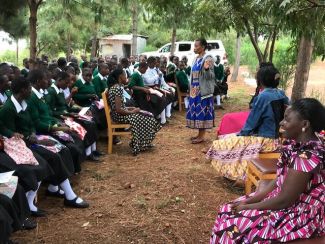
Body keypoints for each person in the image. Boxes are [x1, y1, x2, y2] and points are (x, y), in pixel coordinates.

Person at [210, 98, 325, 243]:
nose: (281, 123)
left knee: (232, 227)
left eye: (287, 120)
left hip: (300, 213)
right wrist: (252, 200)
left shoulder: (306, 157)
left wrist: (249, 206)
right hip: (284, 201)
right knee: (226, 209)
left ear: (305, 124)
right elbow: (279, 178)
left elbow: (285, 201)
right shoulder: (298, 143)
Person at [0, 77, 89, 210]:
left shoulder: (24, 103)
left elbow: (30, 124)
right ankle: (68, 196)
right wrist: (26, 137)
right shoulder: (8, 108)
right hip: (20, 145)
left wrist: (34, 135)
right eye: (29, 89)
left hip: (32, 139)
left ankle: (56, 189)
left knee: (60, 149)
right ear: (23, 90)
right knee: (52, 156)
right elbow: (8, 131)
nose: (31, 91)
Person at [206, 65, 289, 182]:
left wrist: (242, 134)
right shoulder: (281, 94)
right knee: (228, 139)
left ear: (261, 80)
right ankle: (232, 173)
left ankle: (233, 174)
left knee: (222, 143)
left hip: (264, 140)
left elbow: (252, 121)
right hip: (275, 139)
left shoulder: (263, 96)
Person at [46, 71, 101, 162]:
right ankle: (88, 153)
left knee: (91, 121)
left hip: (67, 114)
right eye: (66, 82)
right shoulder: (51, 91)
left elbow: (65, 105)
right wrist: (67, 114)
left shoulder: (59, 90)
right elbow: (51, 111)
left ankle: (93, 150)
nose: (68, 85)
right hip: (61, 117)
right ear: (59, 80)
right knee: (86, 125)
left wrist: (75, 111)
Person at [108, 69, 161, 155]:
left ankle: (142, 143)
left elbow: (120, 107)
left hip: (120, 114)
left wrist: (131, 108)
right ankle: (138, 144)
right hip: (119, 116)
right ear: (120, 77)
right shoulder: (117, 89)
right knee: (147, 118)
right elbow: (118, 109)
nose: (127, 78)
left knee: (147, 115)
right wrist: (133, 112)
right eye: (125, 75)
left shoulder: (116, 87)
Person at [186, 38, 215, 144]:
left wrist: (207, 69)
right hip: (194, 89)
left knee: (202, 111)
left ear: (203, 47)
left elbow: (211, 76)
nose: (194, 48)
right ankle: (199, 134)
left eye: (197, 46)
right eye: (194, 45)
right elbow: (192, 75)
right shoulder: (196, 59)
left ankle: (202, 136)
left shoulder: (208, 59)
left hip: (203, 91)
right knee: (196, 111)